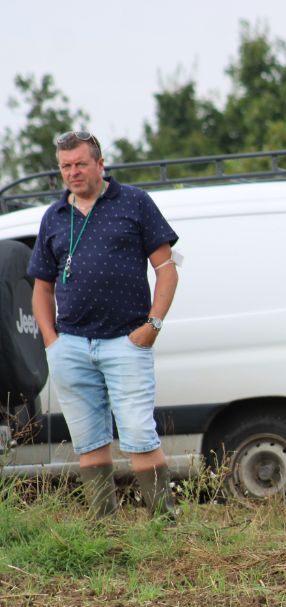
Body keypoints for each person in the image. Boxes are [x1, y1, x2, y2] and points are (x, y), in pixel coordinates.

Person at [29, 131, 179, 521]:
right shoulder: (54, 216)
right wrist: (51, 340)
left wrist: (152, 326)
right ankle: (103, 529)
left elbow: (166, 269)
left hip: (125, 341)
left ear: (100, 163)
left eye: (80, 163)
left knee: (139, 435)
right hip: (72, 345)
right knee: (89, 442)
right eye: (65, 166)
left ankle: (165, 526)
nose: (73, 172)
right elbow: (42, 287)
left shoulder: (134, 202)